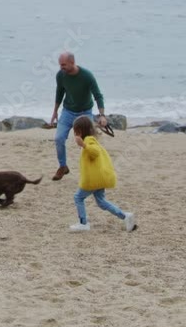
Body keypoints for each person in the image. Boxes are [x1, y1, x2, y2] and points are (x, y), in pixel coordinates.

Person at [68, 115, 135, 232]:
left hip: (93, 180)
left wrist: (83, 145)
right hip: (99, 179)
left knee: (78, 197)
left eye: (75, 131)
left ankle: (83, 223)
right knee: (101, 202)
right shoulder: (91, 140)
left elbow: (95, 152)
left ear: (80, 131)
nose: (74, 134)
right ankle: (125, 216)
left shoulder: (89, 141)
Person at [50, 52, 108, 181]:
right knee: (59, 139)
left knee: (88, 143)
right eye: (60, 65)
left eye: (63, 65)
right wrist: (55, 112)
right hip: (67, 111)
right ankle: (63, 167)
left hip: (84, 113)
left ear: (72, 62)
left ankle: (92, 170)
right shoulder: (61, 75)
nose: (61, 67)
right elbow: (59, 93)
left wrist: (102, 115)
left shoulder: (87, 76)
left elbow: (98, 95)